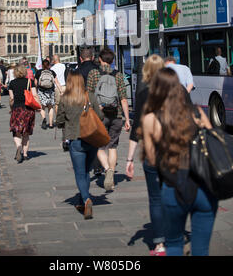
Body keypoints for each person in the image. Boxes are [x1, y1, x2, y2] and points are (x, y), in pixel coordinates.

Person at [141, 68, 218, 256]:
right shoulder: (197, 113)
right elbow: (214, 145)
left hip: (173, 186)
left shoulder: (151, 119)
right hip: (203, 187)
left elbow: (151, 160)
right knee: (201, 249)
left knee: (174, 244)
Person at [126, 54, 166, 256]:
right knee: (172, 196)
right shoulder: (176, 91)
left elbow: (137, 128)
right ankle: (173, 235)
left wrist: (130, 159)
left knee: (156, 199)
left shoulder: (143, 94)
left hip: (151, 153)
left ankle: (159, 244)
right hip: (174, 153)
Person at [56, 70, 104, 219]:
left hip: (75, 139)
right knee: (86, 172)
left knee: (79, 172)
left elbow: (59, 121)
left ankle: (86, 199)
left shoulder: (65, 99)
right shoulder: (89, 96)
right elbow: (100, 116)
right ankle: (83, 200)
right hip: (91, 139)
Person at [87, 48, 130, 191]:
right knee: (113, 146)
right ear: (112, 61)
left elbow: (89, 95)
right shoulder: (118, 75)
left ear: (100, 59)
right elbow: (123, 98)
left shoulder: (93, 73)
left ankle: (107, 170)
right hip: (116, 115)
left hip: (100, 115)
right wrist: (127, 119)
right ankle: (111, 178)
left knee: (98, 146)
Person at [8, 64, 39, 163]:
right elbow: (34, 95)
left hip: (17, 109)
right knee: (26, 132)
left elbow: (11, 98)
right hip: (28, 110)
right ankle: (25, 154)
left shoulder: (12, 83)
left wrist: (11, 108)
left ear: (15, 73)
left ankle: (18, 146)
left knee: (16, 131)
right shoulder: (30, 82)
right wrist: (38, 106)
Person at [35, 59, 62, 129]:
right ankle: (50, 124)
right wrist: (61, 91)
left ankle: (44, 118)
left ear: (42, 65)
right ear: (49, 65)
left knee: (42, 107)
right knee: (50, 107)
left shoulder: (38, 72)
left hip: (41, 91)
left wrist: (35, 90)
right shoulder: (52, 72)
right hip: (50, 91)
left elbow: (35, 83)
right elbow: (57, 82)